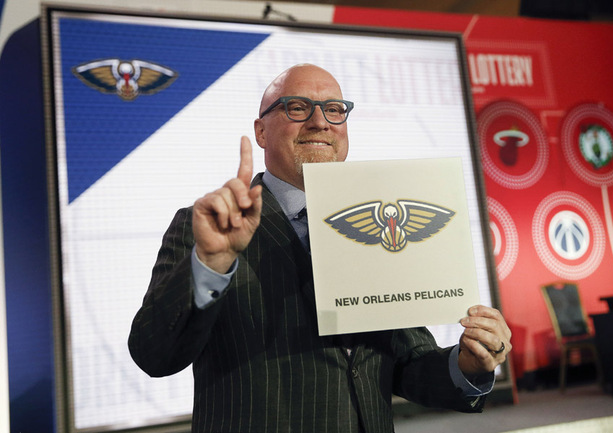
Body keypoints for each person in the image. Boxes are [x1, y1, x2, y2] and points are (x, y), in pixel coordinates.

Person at [128, 63, 512, 433]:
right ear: (261, 132)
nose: (320, 122)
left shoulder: (378, 226)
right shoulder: (208, 228)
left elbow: (404, 362)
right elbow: (154, 354)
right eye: (297, 107)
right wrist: (210, 264)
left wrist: (469, 364)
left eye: (334, 110)